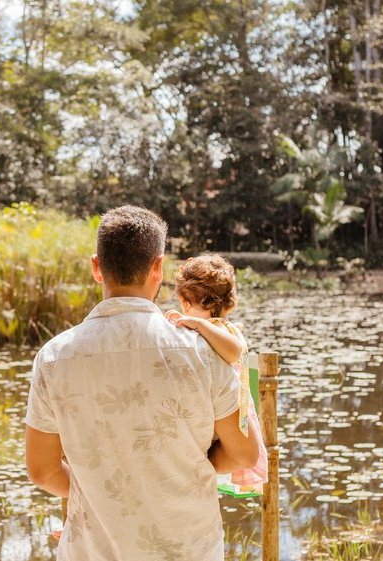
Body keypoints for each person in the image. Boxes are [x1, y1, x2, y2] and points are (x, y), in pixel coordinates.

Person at [24, 205, 262, 560]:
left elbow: (42, 470)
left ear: (96, 267)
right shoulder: (205, 351)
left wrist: (98, 489)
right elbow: (244, 453)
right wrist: (185, 466)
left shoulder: (53, 357)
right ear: (158, 268)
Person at [165, 253, 268, 494]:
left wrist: (199, 324)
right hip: (209, 411)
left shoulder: (225, 329)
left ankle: (197, 471)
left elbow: (234, 352)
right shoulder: (197, 329)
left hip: (230, 414)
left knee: (209, 462)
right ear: (231, 303)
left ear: (183, 301)